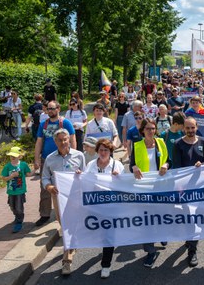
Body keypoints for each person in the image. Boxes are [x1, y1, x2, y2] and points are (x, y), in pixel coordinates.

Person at [42, 129, 85, 275]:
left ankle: (66, 260)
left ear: (69, 139)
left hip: (74, 197)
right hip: (58, 197)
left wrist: (81, 175)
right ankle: (72, 244)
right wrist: (49, 186)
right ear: (55, 142)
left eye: (65, 139)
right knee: (64, 225)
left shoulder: (79, 156)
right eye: (60, 140)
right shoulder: (50, 159)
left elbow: (86, 175)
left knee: (68, 226)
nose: (63, 142)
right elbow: (45, 178)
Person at [129, 119, 170, 268]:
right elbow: (131, 164)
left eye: (153, 128)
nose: (151, 131)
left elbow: (169, 161)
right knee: (147, 220)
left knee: (160, 216)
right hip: (144, 188)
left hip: (160, 187)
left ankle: (162, 235)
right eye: (148, 129)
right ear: (143, 131)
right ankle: (150, 251)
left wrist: (165, 165)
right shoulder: (137, 145)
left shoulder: (161, 143)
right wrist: (133, 167)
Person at [172, 117, 204, 267]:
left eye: (192, 128)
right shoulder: (178, 144)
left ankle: (192, 246)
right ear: (183, 129)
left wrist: (203, 164)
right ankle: (192, 249)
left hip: (200, 188)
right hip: (185, 188)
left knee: (197, 218)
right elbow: (176, 168)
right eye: (187, 128)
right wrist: (180, 188)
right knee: (189, 218)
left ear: (196, 127)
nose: (190, 131)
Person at [84, 138, 124, 278]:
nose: (103, 152)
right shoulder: (90, 165)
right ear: (97, 151)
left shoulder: (117, 165)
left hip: (111, 207)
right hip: (95, 206)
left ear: (110, 151)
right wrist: (78, 176)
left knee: (109, 235)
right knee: (99, 233)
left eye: (106, 150)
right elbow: (84, 183)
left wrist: (119, 178)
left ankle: (105, 265)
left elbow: (125, 186)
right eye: (100, 150)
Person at [34, 100, 76, 227]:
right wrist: (36, 159)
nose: (50, 111)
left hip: (63, 158)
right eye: (48, 109)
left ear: (58, 109)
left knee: (66, 186)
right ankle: (45, 214)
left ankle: (67, 211)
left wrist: (73, 156)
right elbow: (39, 141)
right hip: (47, 159)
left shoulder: (65, 123)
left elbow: (72, 140)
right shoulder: (43, 124)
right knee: (45, 186)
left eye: (52, 108)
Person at [1, 147, 32, 233]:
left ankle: (19, 222)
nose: (12, 157)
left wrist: (36, 169)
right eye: (11, 156)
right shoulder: (7, 166)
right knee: (12, 206)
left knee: (19, 208)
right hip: (11, 191)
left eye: (14, 156)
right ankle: (17, 216)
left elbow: (28, 174)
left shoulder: (23, 165)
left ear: (20, 156)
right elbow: (4, 178)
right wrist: (11, 176)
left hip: (20, 191)